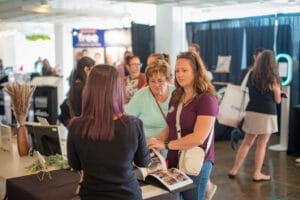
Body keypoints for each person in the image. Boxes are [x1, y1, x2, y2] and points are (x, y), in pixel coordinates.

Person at [67, 64, 151, 200]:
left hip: (91, 194)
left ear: (89, 90)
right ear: (118, 90)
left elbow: (75, 164)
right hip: (127, 195)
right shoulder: (133, 124)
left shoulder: (76, 125)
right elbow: (143, 162)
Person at [147, 51, 218, 200]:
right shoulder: (177, 95)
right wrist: (155, 143)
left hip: (195, 162)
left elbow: (198, 138)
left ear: (196, 71)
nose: (180, 74)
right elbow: (170, 126)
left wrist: (165, 145)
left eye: (184, 70)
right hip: (175, 159)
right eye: (177, 71)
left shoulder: (206, 99)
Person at [228, 50, 281, 181]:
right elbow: (278, 99)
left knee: (246, 143)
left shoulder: (251, 74)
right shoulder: (273, 77)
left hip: (252, 111)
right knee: (261, 144)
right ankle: (257, 174)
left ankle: (234, 170)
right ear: (272, 62)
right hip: (267, 113)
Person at [125, 59, 174, 139]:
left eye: (160, 80)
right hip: (148, 146)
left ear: (167, 79)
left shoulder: (176, 93)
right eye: (152, 81)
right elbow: (127, 121)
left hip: (173, 144)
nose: (156, 85)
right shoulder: (141, 95)